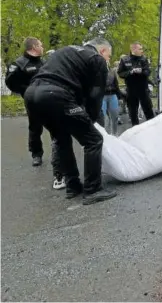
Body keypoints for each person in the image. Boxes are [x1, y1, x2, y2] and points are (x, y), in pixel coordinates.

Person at [24, 37, 117, 205]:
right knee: (94, 140)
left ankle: (72, 186)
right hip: (55, 95)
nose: (108, 60)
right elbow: (96, 95)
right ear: (102, 51)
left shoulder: (67, 50)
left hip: (32, 95)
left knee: (61, 139)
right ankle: (92, 190)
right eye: (109, 56)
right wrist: (92, 120)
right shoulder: (96, 59)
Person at [5, 37, 45, 167]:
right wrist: (27, 90)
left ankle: (60, 153)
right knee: (35, 127)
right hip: (32, 99)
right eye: (40, 45)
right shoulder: (19, 64)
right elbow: (10, 82)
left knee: (57, 125)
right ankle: (36, 154)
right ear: (34, 47)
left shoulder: (43, 62)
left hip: (47, 98)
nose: (42, 47)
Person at [117, 42, 154, 125]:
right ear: (133, 49)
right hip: (131, 90)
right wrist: (130, 72)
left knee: (149, 112)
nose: (142, 51)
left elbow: (148, 72)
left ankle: (153, 129)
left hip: (143, 90)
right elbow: (120, 73)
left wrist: (141, 71)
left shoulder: (144, 59)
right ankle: (135, 131)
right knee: (133, 113)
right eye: (140, 49)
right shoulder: (125, 59)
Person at [100, 61, 121, 135]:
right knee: (104, 118)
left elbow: (116, 84)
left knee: (115, 116)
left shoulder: (112, 71)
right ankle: (104, 136)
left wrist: (119, 96)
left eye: (107, 62)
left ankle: (114, 134)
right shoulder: (97, 71)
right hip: (102, 96)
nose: (106, 63)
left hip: (113, 95)